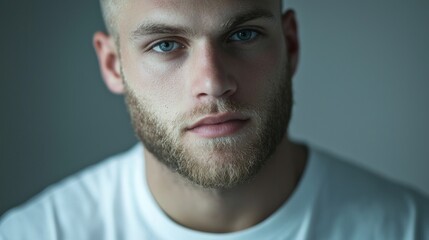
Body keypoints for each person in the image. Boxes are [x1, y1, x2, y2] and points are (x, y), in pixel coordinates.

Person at [1, 0, 428, 239]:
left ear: (291, 45)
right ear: (114, 65)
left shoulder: (408, 228)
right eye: (166, 45)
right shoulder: (36, 234)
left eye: (242, 35)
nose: (213, 82)